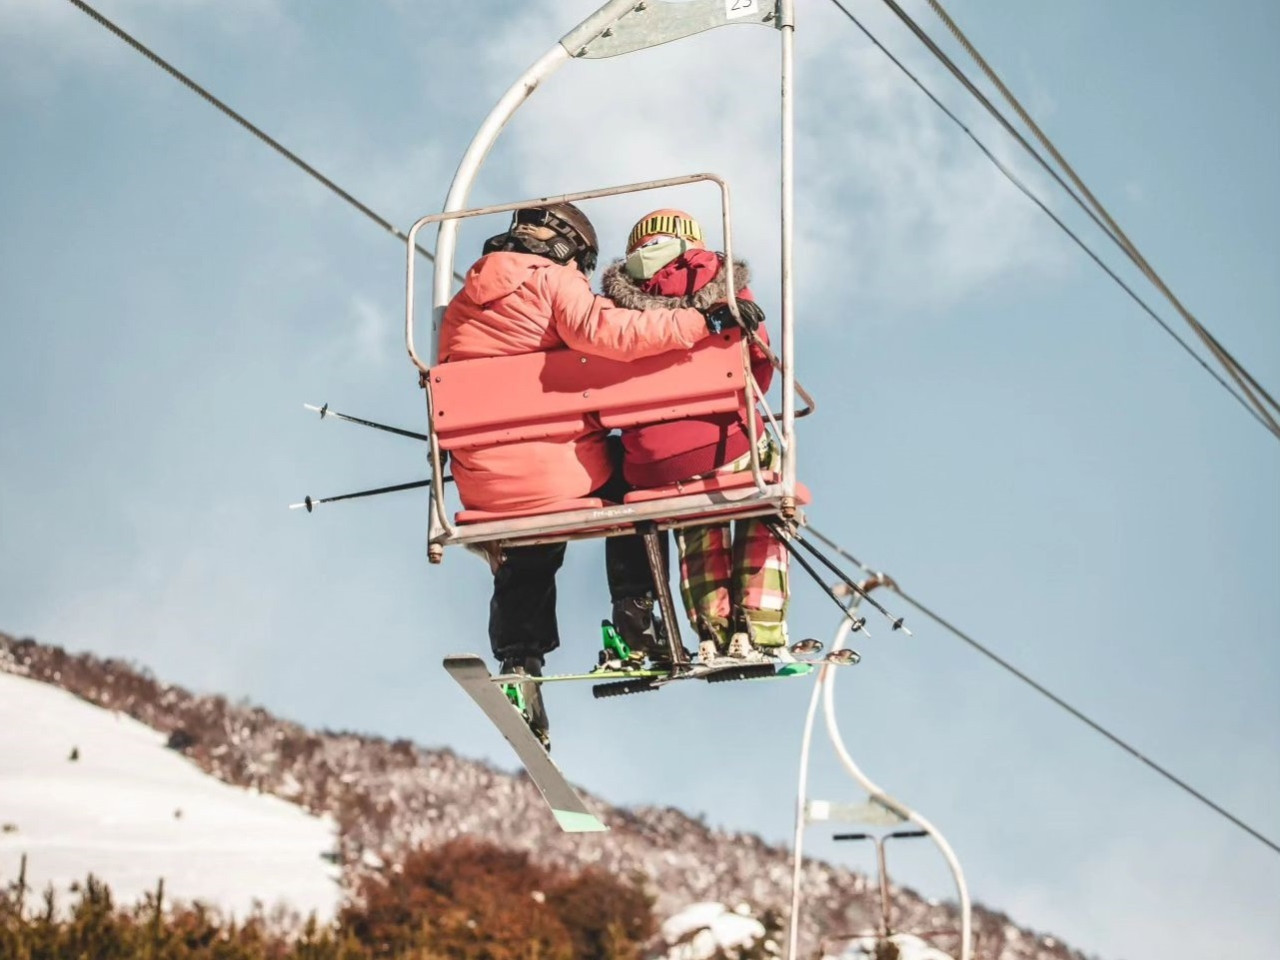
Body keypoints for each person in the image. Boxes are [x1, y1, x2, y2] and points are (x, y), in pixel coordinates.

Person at [439, 202, 729, 748]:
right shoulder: (552, 283)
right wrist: (700, 320)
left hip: (484, 482)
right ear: (573, 251)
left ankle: (519, 661)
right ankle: (637, 622)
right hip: (556, 474)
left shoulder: (462, 301)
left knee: (530, 535)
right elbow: (610, 332)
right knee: (632, 482)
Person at [600, 208, 789, 663]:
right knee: (762, 499)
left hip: (655, 467)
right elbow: (759, 369)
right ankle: (759, 629)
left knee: (696, 521)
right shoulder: (727, 290)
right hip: (727, 442)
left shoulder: (609, 310)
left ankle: (712, 632)